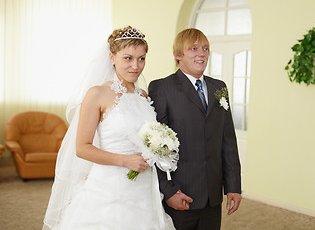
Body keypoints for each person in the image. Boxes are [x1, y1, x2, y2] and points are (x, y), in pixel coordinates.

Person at [43, 26, 175, 230]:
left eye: (141, 58)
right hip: (109, 188)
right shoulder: (97, 94)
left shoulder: (143, 96)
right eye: (128, 58)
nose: (136, 66)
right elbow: (82, 148)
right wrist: (125, 160)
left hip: (144, 189)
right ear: (112, 58)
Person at [148, 28, 242, 230]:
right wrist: (169, 191)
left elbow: (228, 140)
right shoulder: (162, 88)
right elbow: (154, 147)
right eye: (193, 48)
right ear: (177, 55)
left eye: (205, 48)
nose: (201, 53)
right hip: (180, 193)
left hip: (212, 196)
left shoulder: (219, 88)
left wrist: (233, 186)